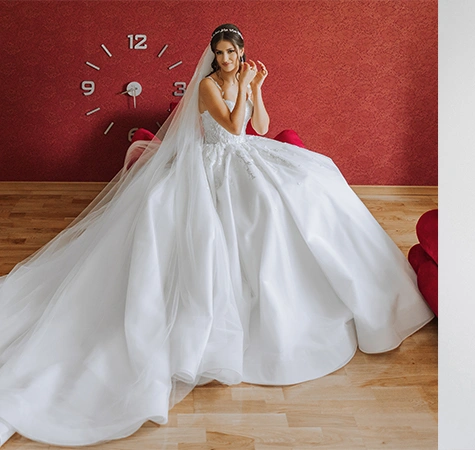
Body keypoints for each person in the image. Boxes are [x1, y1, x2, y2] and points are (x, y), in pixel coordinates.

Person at [0, 23, 433, 446]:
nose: (225, 58)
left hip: (246, 154)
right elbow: (228, 127)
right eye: (220, 52)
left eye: (232, 52)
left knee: (311, 185)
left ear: (242, 53)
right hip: (212, 161)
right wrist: (242, 86)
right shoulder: (208, 86)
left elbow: (258, 127)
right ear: (214, 55)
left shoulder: (244, 76)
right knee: (253, 207)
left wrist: (256, 87)